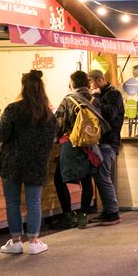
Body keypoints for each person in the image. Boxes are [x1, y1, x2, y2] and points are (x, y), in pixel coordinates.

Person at [0, 70, 58, 254]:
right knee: (34, 203)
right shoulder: (49, 116)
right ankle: (34, 242)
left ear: (24, 87)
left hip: (12, 163)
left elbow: (0, 135)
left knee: (12, 202)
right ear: (41, 89)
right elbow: (50, 143)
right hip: (36, 165)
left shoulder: (13, 110)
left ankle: (15, 242)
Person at [52, 70, 108, 229]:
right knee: (87, 180)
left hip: (71, 145)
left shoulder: (68, 100)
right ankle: (83, 216)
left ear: (73, 83)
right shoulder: (94, 100)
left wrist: (55, 141)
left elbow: (59, 125)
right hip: (90, 146)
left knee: (59, 179)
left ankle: (68, 215)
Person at [87, 70, 124, 225]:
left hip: (109, 142)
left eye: (90, 81)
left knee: (103, 175)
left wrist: (95, 102)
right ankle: (107, 210)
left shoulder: (114, 95)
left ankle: (113, 212)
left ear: (100, 79)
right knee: (99, 176)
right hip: (99, 141)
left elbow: (110, 114)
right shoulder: (99, 95)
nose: (89, 84)